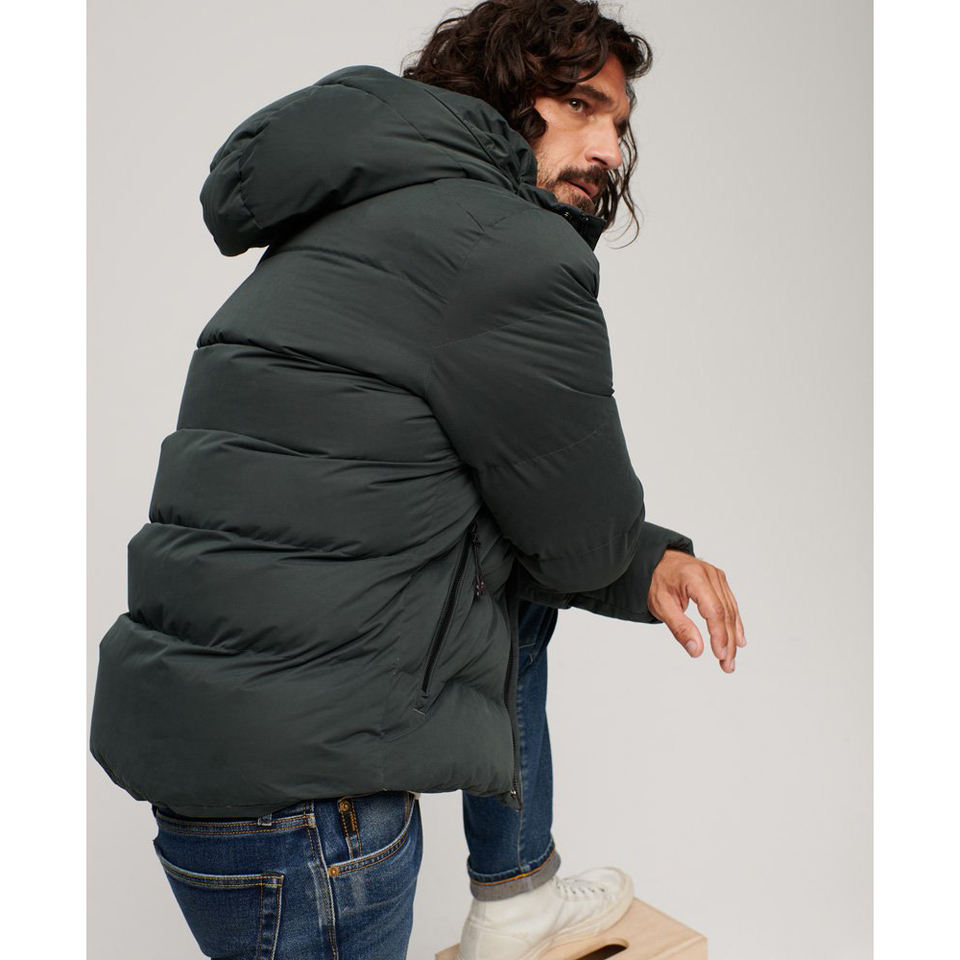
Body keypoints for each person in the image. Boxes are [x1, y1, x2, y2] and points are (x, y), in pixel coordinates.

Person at [88, 0, 746, 956]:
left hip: (206, 781)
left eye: (620, 121)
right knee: (526, 569)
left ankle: (518, 895)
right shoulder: (504, 247)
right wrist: (639, 557)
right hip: (317, 816)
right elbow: (577, 544)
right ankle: (517, 898)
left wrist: (643, 561)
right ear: (507, 92)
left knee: (501, 568)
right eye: (580, 104)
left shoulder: (343, 222)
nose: (608, 147)